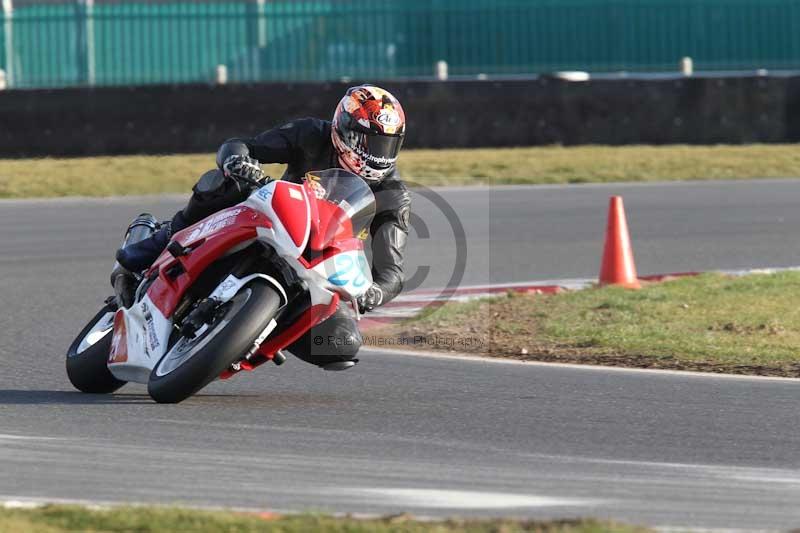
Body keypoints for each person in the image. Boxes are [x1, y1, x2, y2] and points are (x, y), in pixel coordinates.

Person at [114, 85, 411, 370]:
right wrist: (237, 161)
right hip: (273, 222)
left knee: (342, 344)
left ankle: (252, 336)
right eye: (370, 143)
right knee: (223, 183)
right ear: (344, 129)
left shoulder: (393, 195)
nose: (378, 155)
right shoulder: (311, 134)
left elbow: (392, 271)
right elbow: (242, 146)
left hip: (317, 267)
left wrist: (375, 293)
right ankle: (158, 242)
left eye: (388, 145)